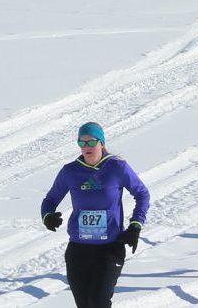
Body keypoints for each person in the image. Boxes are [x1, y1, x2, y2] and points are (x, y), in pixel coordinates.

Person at [40, 122, 149, 308]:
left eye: (91, 142)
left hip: (109, 249)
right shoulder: (70, 171)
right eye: (82, 143)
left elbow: (142, 194)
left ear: (102, 143)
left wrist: (135, 225)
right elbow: (50, 199)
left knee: (98, 303)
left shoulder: (117, 167)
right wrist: (47, 215)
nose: (87, 147)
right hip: (78, 250)